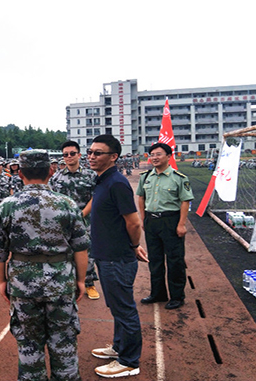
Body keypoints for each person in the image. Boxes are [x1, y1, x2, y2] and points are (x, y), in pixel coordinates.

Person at [0, 149, 90, 381]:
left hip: (22, 283)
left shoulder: (7, 206)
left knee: (29, 343)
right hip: (61, 281)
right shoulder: (67, 204)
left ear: (20, 173)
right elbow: (81, 248)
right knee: (63, 341)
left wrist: (2, 282)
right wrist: (81, 280)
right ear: (51, 171)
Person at [88, 134, 148, 378]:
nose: (91, 156)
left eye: (97, 153)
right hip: (106, 255)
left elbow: (134, 223)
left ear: (113, 157)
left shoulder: (117, 183)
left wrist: (134, 246)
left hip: (117, 257)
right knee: (116, 306)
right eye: (90, 152)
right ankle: (119, 347)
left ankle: (129, 361)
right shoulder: (102, 180)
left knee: (124, 308)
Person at [136, 142, 194, 310]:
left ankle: (177, 296)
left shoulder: (178, 178)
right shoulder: (146, 177)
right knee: (155, 260)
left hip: (170, 221)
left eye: (158, 154)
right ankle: (158, 293)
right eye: (152, 155)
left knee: (175, 260)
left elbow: (185, 201)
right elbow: (141, 197)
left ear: (169, 156)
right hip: (151, 221)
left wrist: (181, 224)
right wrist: (143, 219)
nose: (154, 157)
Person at [50, 140, 100, 300]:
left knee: (87, 252)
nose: (69, 157)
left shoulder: (90, 175)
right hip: (64, 222)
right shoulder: (56, 178)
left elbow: (95, 197)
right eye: (65, 154)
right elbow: (53, 199)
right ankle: (68, 283)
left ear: (79, 155)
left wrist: (82, 214)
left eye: (72, 153)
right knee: (64, 251)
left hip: (85, 220)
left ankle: (89, 283)